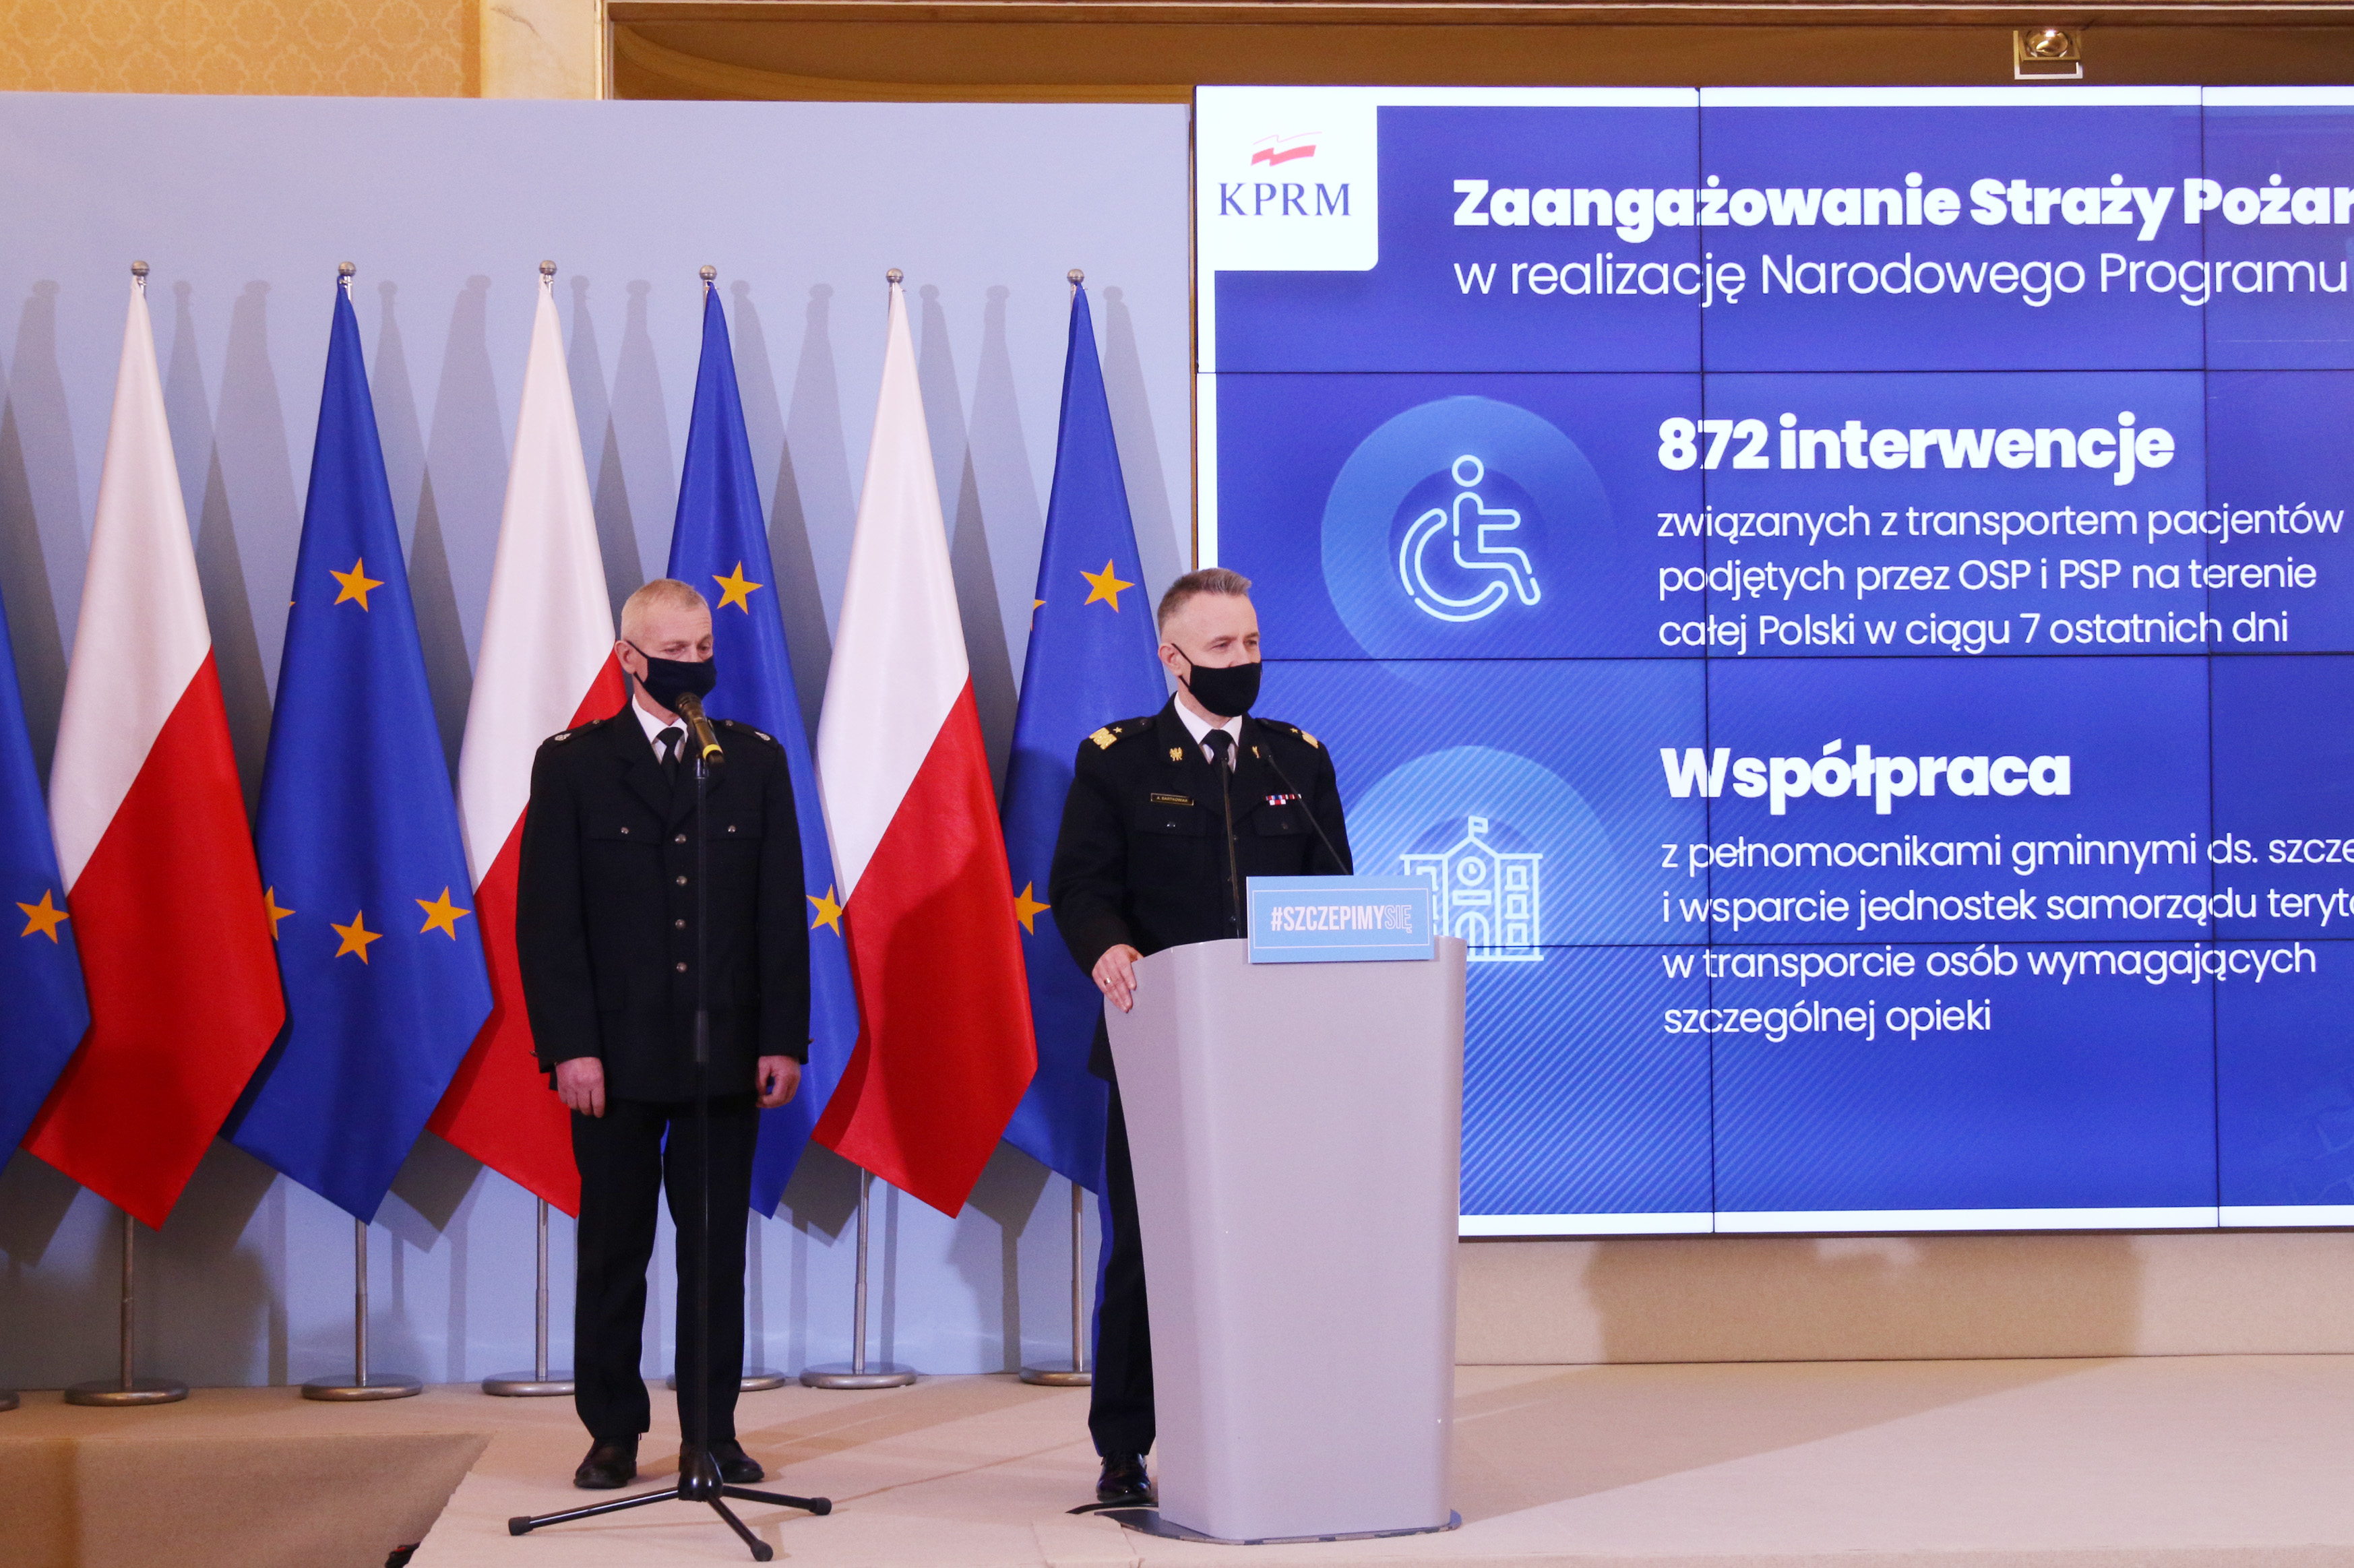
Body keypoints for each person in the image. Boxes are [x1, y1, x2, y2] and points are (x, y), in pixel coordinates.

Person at [1047, 567, 1352, 1507]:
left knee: (1281, 1248)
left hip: (1276, 1052)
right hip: (1161, 1048)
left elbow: (1335, 894)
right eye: (1222, 647)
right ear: (1172, 659)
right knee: (1145, 1252)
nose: (1243, 660)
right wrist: (1107, 946)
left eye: (1251, 643)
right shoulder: (1118, 760)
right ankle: (1123, 1448)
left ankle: (1283, 1433)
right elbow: (1080, 886)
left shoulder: (1295, 760)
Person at [517, 577, 809, 1491]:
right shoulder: (573, 763)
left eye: (703, 648)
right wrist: (570, 1046)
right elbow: (548, 920)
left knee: (715, 1254)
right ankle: (612, 1431)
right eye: (674, 651)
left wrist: (783, 1037)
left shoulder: (749, 760)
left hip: (725, 1051)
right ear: (628, 658)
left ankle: (710, 1433)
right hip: (613, 1056)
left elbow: (779, 911)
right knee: (615, 1249)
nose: (694, 664)